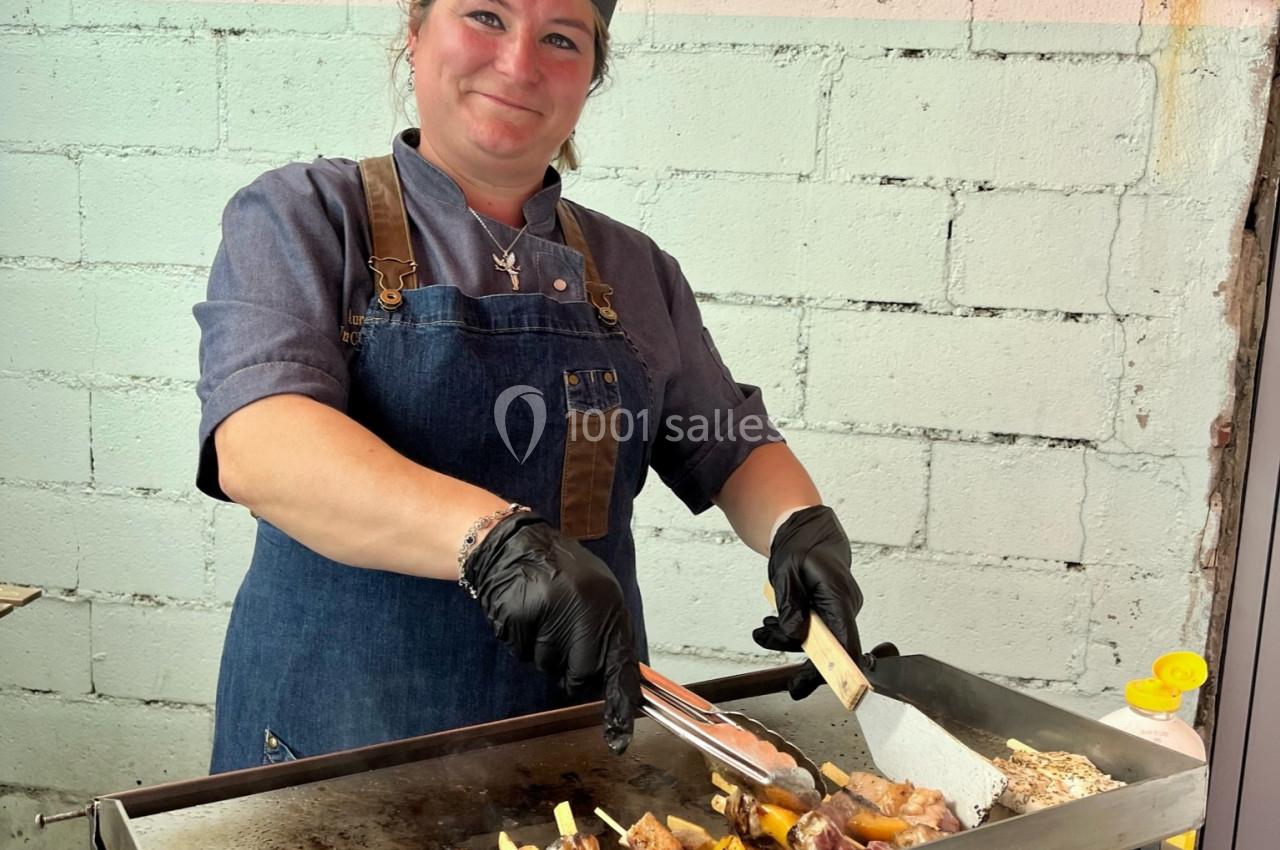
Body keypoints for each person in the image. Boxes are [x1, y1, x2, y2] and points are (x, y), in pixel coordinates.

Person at [195, 0, 863, 773]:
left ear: (589, 78)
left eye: (560, 38)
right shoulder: (303, 216)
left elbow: (730, 443)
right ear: (414, 33)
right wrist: (493, 542)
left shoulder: (635, 268)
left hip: (576, 748)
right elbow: (260, 443)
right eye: (486, 16)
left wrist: (798, 529)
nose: (518, 64)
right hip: (339, 751)